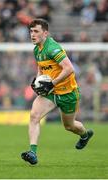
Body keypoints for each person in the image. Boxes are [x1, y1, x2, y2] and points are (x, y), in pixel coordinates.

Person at [21, 18, 94, 165]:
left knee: (69, 126)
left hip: (68, 93)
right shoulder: (37, 49)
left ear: (45, 33)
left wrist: (52, 83)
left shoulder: (52, 48)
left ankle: (85, 135)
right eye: (31, 31)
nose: (32, 35)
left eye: (36, 31)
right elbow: (41, 67)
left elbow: (69, 69)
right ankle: (32, 153)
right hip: (51, 92)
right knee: (34, 116)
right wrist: (37, 80)